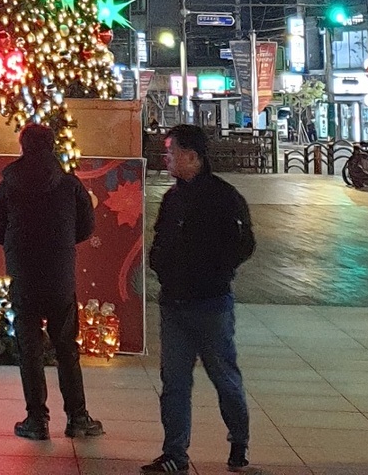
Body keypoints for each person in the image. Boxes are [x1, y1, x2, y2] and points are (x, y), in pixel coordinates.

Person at [142, 123, 255, 475]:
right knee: (174, 383)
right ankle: (175, 453)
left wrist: (218, 271)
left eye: (172, 152)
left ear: (192, 157)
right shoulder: (172, 198)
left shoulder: (224, 197)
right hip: (174, 304)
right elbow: (160, 242)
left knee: (224, 377)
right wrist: (159, 264)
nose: (167, 158)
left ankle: (239, 443)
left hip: (210, 304)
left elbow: (244, 244)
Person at [0, 123, 105, 441]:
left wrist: (14, 244)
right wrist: (63, 242)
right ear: (52, 147)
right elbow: (86, 227)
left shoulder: (9, 183)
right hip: (59, 275)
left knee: (30, 350)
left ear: (22, 146)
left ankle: (36, 420)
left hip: (23, 275)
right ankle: (78, 418)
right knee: (67, 349)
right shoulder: (69, 184)